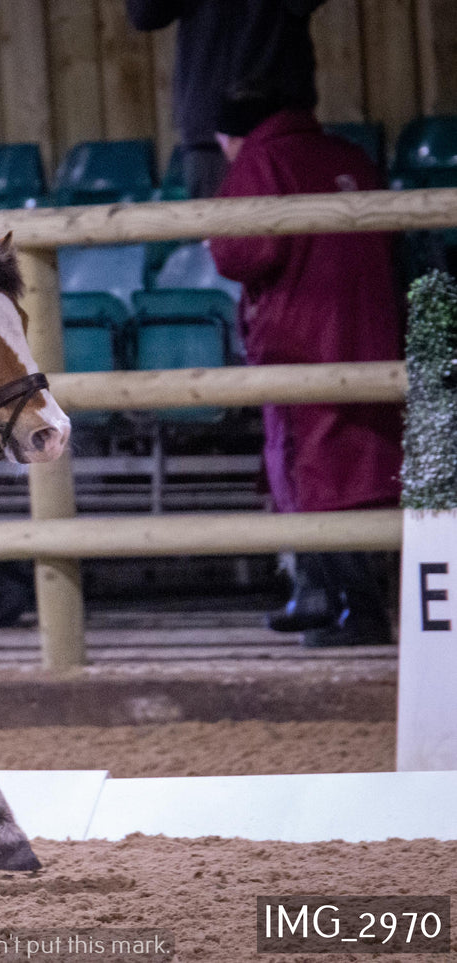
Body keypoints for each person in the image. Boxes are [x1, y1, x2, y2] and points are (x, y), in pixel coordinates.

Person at [207, 86, 404, 647]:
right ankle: (325, 598)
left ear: (231, 137)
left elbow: (240, 254)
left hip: (302, 338)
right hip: (373, 330)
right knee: (360, 465)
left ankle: (357, 610)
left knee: (310, 471)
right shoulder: (348, 155)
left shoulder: (261, 160)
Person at [125, 0, 328, 199]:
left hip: (279, 121)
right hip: (208, 125)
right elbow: (146, 15)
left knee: (291, 225)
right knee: (218, 227)